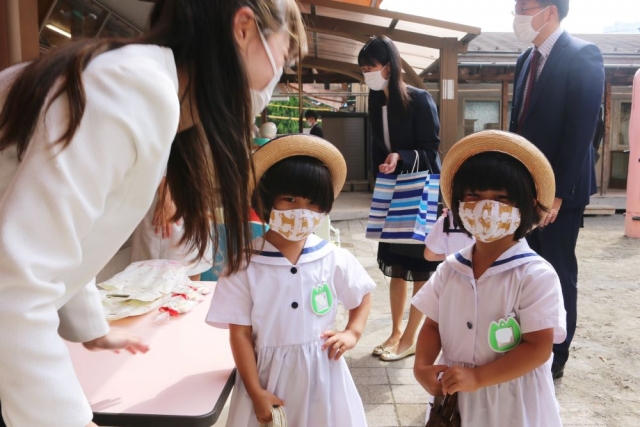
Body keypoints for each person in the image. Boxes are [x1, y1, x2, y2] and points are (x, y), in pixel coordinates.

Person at [0, 1, 306, 426]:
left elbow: (64, 235)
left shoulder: (144, 88)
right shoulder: (133, 89)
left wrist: (91, 327)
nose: (278, 78)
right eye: (285, 58)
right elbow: (15, 284)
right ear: (243, 28)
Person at [206, 134, 374, 426]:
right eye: (290, 199)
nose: (301, 212)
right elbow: (240, 335)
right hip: (268, 381)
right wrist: (255, 392)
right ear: (265, 199)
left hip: (325, 377)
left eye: (312, 204)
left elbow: (362, 294)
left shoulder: (332, 257)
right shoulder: (244, 266)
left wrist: (352, 333)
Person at [413, 130, 566, 426]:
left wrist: (479, 377)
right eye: (474, 195)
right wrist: (421, 366)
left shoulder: (535, 275)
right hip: (458, 398)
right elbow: (432, 325)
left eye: (502, 198)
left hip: (514, 401)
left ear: (528, 207)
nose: (486, 208)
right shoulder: (449, 269)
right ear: (457, 204)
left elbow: (538, 347)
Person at [509, 0, 605, 379]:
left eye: (522, 6)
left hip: (561, 192)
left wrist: (558, 194)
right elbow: (519, 127)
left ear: (549, 11)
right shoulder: (524, 61)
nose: (515, 14)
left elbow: (582, 132)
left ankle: (557, 354)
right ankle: (528, 342)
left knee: (558, 269)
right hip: (525, 188)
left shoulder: (583, 55)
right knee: (525, 266)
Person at [358, 35, 441, 361]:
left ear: (389, 67)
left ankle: (410, 338)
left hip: (420, 194)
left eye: (371, 67)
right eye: (363, 69)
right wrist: (385, 166)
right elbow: (379, 148)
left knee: (420, 267)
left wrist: (401, 158)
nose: (367, 74)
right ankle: (395, 332)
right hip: (393, 192)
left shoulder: (419, 100)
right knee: (396, 266)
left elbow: (432, 149)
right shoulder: (375, 101)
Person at [130, 176, 213, 281]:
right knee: (169, 273)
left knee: (192, 269)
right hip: (170, 191)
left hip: (192, 186)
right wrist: (165, 196)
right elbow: (159, 161)